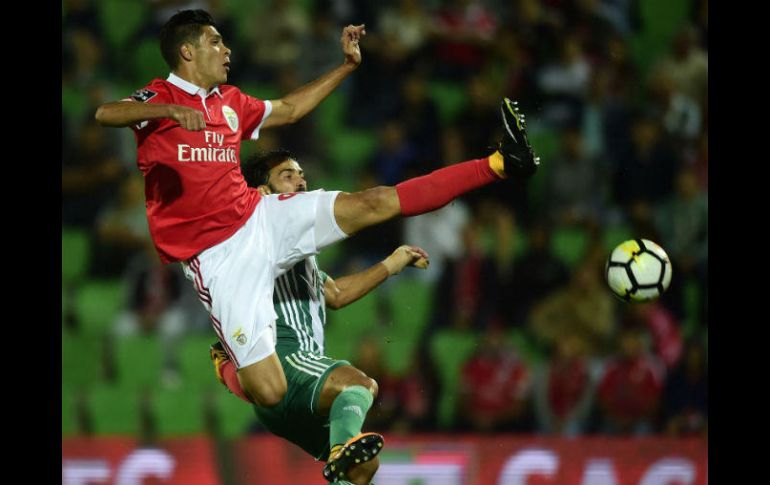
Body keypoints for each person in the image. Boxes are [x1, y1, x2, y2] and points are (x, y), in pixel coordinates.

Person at [95, 6, 538, 447]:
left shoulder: (229, 102)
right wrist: (170, 111)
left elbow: (288, 109)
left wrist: (345, 67)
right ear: (187, 52)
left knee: (374, 202)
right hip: (218, 257)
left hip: (258, 215)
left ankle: (500, 163)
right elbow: (105, 113)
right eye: (215, 42)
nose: (226, 49)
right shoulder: (156, 97)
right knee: (269, 390)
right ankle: (233, 366)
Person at [210, 150, 430, 484]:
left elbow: (336, 294)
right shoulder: (263, 234)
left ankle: (342, 457)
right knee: (360, 385)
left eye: (302, 175)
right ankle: (342, 446)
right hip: (287, 363)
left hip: (280, 396)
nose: (302, 181)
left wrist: (391, 264)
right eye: (288, 174)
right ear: (262, 192)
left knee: (362, 469)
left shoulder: (295, 250)